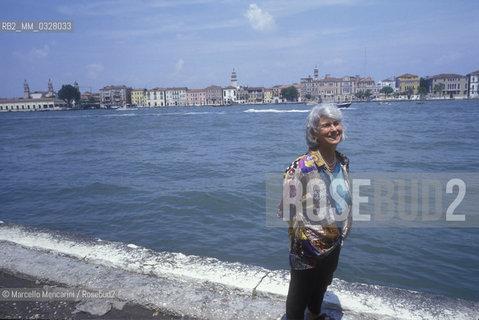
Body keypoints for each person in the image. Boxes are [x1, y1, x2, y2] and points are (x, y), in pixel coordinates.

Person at [277, 103, 352, 320]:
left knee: (323, 283)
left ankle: (314, 315)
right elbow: (288, 208)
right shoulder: (300, 166)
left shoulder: (343, 161)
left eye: (336, 123)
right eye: (326, 125)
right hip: (307, 245)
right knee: (299, 294)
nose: (334, 129)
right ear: (314, 133)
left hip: (335, 239)